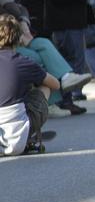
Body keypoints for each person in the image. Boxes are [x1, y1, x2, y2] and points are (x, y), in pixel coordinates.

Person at [42, 0, 90, 114]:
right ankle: (65, 99)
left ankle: (67, 98)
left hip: (73, 21)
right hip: (65, 23)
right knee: (69, 62)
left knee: (72, 62)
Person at [0, 14, 59, 156]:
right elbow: (55, 84)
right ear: (19, 38)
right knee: (44, 87)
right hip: (18, 130)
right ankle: (27, 131)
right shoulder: (23, 61)